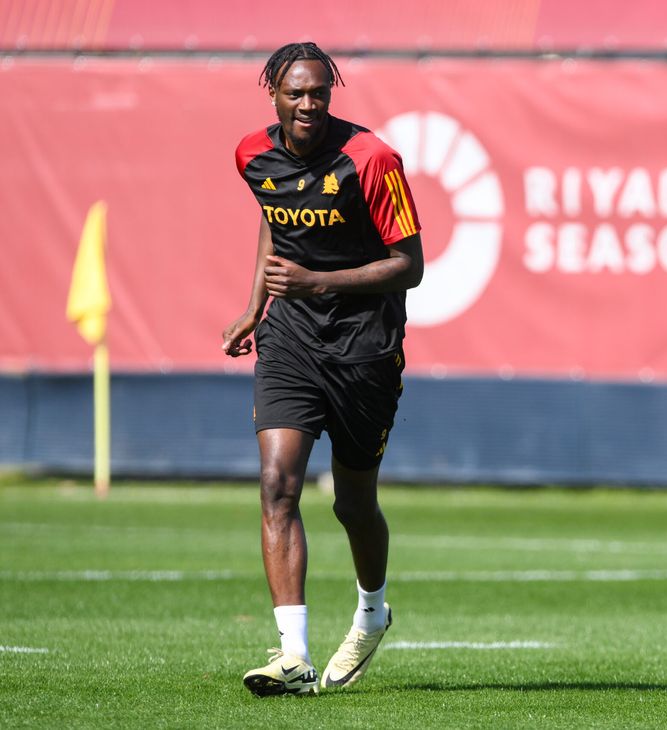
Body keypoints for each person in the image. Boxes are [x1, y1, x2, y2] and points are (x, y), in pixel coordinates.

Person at [222, 42, 424, 697]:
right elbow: (272, 220)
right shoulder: (253, 154)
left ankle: (372, 612)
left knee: (352, 503)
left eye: (319, 93)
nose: (308, 103)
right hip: (290, 346)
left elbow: (410, 265)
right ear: (273, 94)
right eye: (295, 93)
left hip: (365, 349)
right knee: (278, 484)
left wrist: (318, 281)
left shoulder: (372, 159)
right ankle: (293, 654)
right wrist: (257, 305)